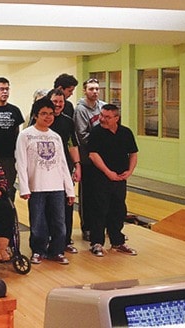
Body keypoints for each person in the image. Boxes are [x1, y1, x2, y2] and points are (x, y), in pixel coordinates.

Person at [15, 97, 75, 265]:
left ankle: (56, 251)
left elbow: (63, 163)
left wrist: (69, 190)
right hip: (36, 187)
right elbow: (21, 162)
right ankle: (38, 251)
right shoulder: (25, 135)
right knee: (38, 222)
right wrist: (24, 187)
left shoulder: (55, 137)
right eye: (43, 114)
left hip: (57, 187)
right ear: (35, 116)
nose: (48, 117)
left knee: (59, 222)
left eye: (50, 114)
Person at [30, 89, 82, 253]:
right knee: (43, 211)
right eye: (55, 101)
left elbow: (72, 144)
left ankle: (63, 242)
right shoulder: (36, 124)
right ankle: (42, 244)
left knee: (65, 208)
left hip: (63, 169)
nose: (58, 105)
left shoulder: (68, 121)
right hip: (43, 174)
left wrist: (77, 165)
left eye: (61, 102)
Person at [88, 104, 138, 257]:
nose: (102, 119)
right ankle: (96, 242)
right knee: (99, 209)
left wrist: (129, 171)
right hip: (100, 178)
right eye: (102, 115)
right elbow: (93, 155)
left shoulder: (125, 133)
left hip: (119, 179)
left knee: (118, 209)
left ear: (116, 118)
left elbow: (133, 153)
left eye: (107, 117)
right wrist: (108, 172)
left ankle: (117, 241)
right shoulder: (96, 132)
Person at [74, 78, 106, 242]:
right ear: (85, 91)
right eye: (91, 89)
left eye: (97, 89)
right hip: (87, 158)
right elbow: (82, 135)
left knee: (102, 194)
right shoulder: (80, 109)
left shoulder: (103, 107)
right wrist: (101, 143)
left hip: (103, 157)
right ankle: (87, 227)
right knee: (88, 195)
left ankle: (102, 227)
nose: (95, 91)